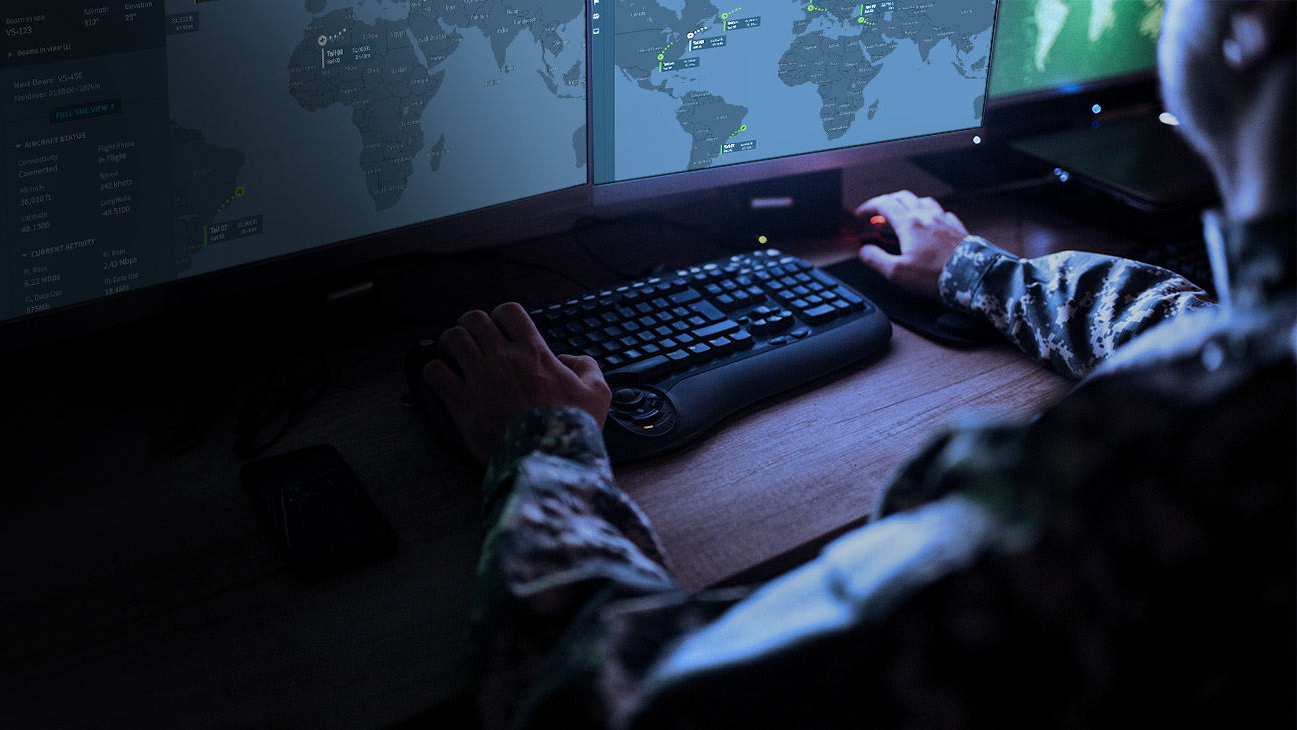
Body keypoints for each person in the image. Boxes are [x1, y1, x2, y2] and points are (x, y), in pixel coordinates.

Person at [421, 1, 1296, 726]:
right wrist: (974, 269)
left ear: (1252, 22)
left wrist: (540, 440)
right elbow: (1204, 328)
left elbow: (591, 703)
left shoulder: (1131, 495)